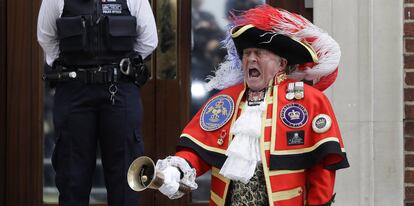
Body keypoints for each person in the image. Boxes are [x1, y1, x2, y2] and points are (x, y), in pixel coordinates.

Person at [152, 5, 349, 206]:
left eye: (259, 53)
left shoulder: (309, 101)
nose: (250, 59)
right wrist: (176, 170)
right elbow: (198, 149)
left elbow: (322, 167)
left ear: (281, 64)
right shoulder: (225, 101)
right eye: (247, 53)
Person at [37, 0, 157, 205]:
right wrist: (78, 68)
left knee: (125, 176)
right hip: (74, 90)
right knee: (72, 177)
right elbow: (46, 37)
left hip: (119, 90)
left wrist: (116, 68)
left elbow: (148, 41)